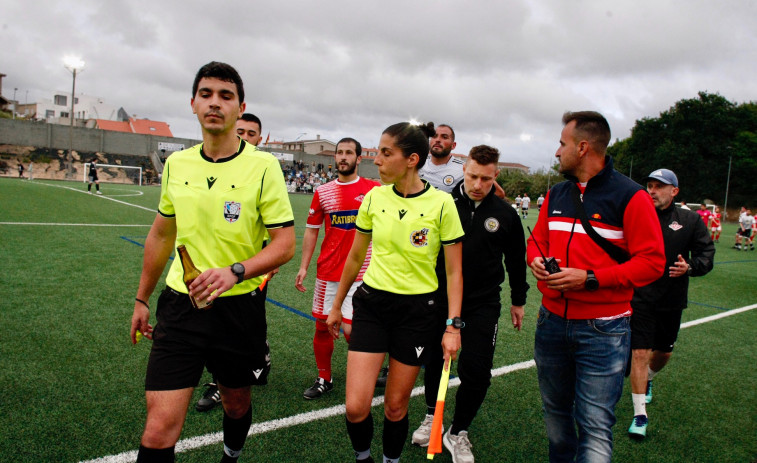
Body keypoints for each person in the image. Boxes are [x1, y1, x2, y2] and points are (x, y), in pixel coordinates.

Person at [130, 62, 295, 463]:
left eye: (225, 95)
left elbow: (285, 243)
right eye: (206, 94)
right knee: (157, 429)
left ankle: (230, 456)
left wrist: (234, 271)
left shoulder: (264, 166)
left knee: (236, 405)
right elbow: (161, 234)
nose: (215, 103)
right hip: (180, 305)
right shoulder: (177, 164)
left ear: (240, 107)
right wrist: (141, 299)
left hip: (238, 308)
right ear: (193, 104)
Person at [527, 111, 665, 462]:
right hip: (551, 322)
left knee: (595, 426)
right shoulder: (557, 193)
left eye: (562, 143)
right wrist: (536, 261)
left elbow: (652, 263)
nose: (557, 152)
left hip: (604, 330)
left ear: (583, 147)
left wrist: (589, 278)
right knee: (556, 419)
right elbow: (537, 241)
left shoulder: (631, 196)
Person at [326, 121, 464, 463]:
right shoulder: (374, 197)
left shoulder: (442, 205)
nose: (379, 160)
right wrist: (337, 305)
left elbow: (454, 271)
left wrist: (452, 326)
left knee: (395, 406)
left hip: (417, 313)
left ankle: (391, 460)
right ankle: (364, 457)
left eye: (386, 153)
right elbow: (356, 256)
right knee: (356, 407)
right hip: (372, 306)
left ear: (412, 159)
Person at [411, 145, 529, 463]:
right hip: (439, 297)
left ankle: (457, 431)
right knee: (435, 361)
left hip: (483, 303)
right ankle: (430, 416)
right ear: (464, 169)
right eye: (473, 176)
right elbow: (420, 245)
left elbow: (517, 262)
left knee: (477, 371)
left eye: (486, 179)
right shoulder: (441, 203)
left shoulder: (505, 214)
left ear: (496, 175)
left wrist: (519, 301)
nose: (478, 184)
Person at [627, 168, 715, 439]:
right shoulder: (636, 215)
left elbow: (706, 254)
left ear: (674, 191)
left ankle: (649, 379)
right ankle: (640, 416)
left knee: (663, 353)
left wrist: (690, 267)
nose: (652, 190)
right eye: (650, 185)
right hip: (639, 298)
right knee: (639, 353)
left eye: (659, 186)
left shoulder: (689, 220)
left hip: (670, 300)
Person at [195, 112, 272, 413]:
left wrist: (267, 260)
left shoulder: (262, 171)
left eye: (252, 133)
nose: (245, 137)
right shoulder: (212, 168)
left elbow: (274, 228)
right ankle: (217, 381)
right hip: (212, 268)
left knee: (250, 320)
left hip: (251, 269)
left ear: (260, 138)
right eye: (241, 131)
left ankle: (254, 356)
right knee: (210, 324)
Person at [295, 137, 380, 399]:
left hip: (362, 273)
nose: (343, 157)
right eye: (339, 153)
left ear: (359, 158)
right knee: (322, 327)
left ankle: (367, 373)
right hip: (328, 272)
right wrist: (303, 266)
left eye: (348, 153)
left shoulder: (374, 190)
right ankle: (324, 378)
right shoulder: (323, 192)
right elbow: (311, 232)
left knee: (353, 330)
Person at [418, 124, 464, 193]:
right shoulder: (418, 162)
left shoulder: (463, 170)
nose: (438, 140)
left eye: (444, 137)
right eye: (434, 136)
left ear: (453, 145)